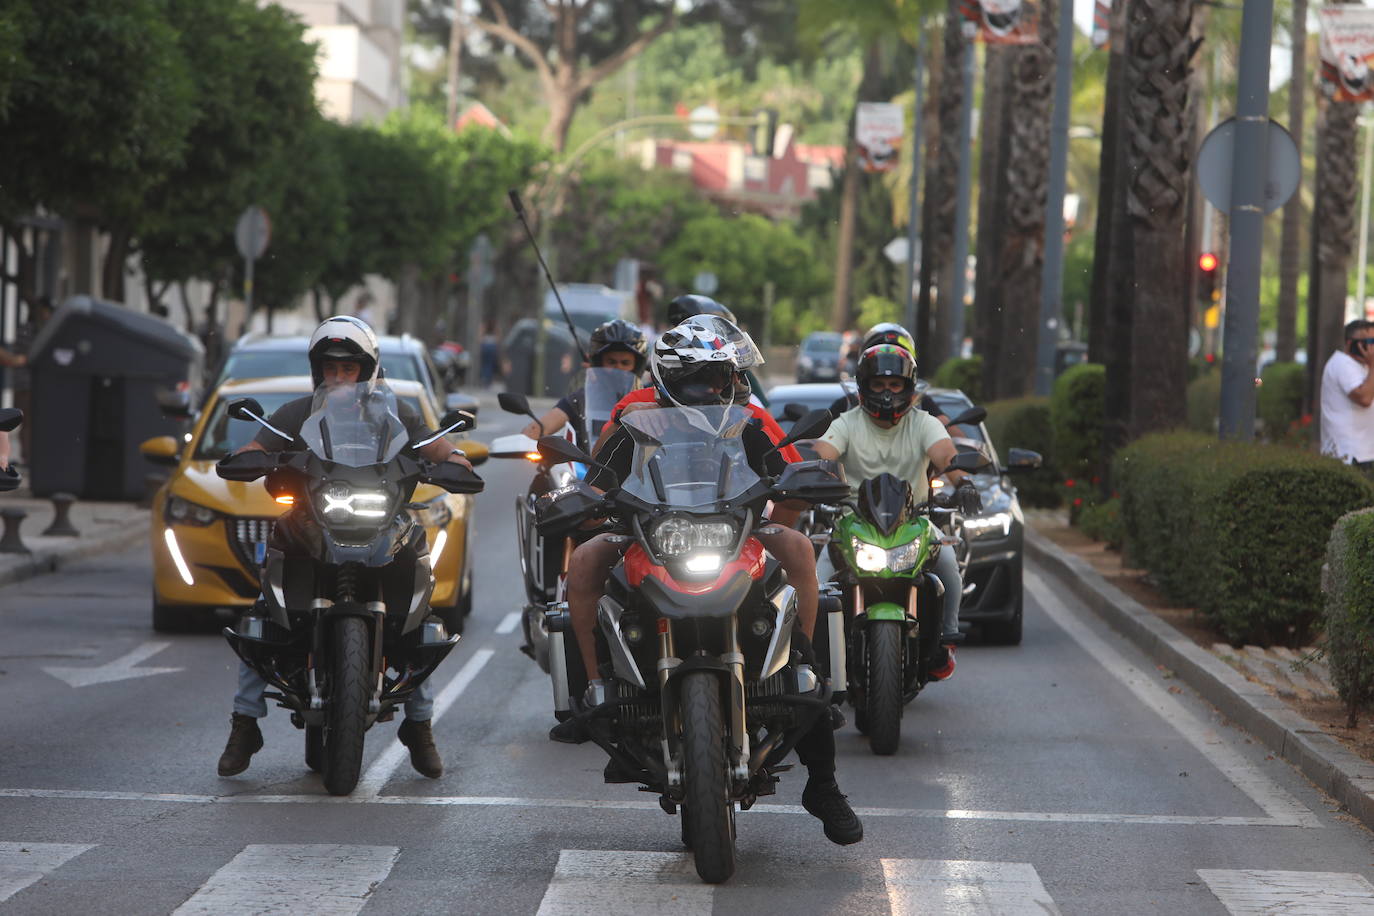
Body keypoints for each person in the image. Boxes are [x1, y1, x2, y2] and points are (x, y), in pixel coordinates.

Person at [554, 316, 863, 846]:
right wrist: (579, 499)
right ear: (670, 375)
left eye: (721, 376)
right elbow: (599, 480)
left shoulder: (750, 418)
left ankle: (812, 703)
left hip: (733, 532)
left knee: (795, 548)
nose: (714, 387)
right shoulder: (632, 416)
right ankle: (594, 687)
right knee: (583, 561)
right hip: (648, 534)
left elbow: (788, 482)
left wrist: (805, 485)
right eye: (701, 376)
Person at [216, 316, 474, 780]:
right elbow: (256, 445)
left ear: (367, 370)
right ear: (318, 371)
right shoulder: (296, 413)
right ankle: (245, 723)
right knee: (261, 616)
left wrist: (455, 459)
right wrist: (248, 457)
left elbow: (438, 448)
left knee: (420, 617)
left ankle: (419, 725)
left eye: (348, 369)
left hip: (382, 519)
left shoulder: (397, 417)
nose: (339, 378)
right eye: (331, 369)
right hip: (312, 520)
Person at [809, 344, 979, 680]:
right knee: (817, 583)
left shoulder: (924, 423)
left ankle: (945, 639)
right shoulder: (846, 423)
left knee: (948, 567)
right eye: (879, 385)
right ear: (864, 386)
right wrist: (813, 475)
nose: (887, 394)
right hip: (852, 520)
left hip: (913, 520)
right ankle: (813, 654)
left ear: (909, 387)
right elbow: (823, 454)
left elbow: (947, 456)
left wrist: (966, 484)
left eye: (895, 385)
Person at [521, 319, 647, 451]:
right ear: (599, 363)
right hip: (585, 469)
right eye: (611, 361)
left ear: (636, 366)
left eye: (625, 363)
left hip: (640, 471)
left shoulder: (649, 398)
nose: (618, 368)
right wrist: (526, 439)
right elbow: (538, 429)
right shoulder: (580, 399)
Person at [1320, 319, 1374, 468]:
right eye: (1368, 342)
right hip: (1348, 454)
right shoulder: (1342, 364)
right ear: (1350, 344)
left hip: (1363, 453)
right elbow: (1364, 398)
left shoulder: (1364, 367)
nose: (1371, 348)